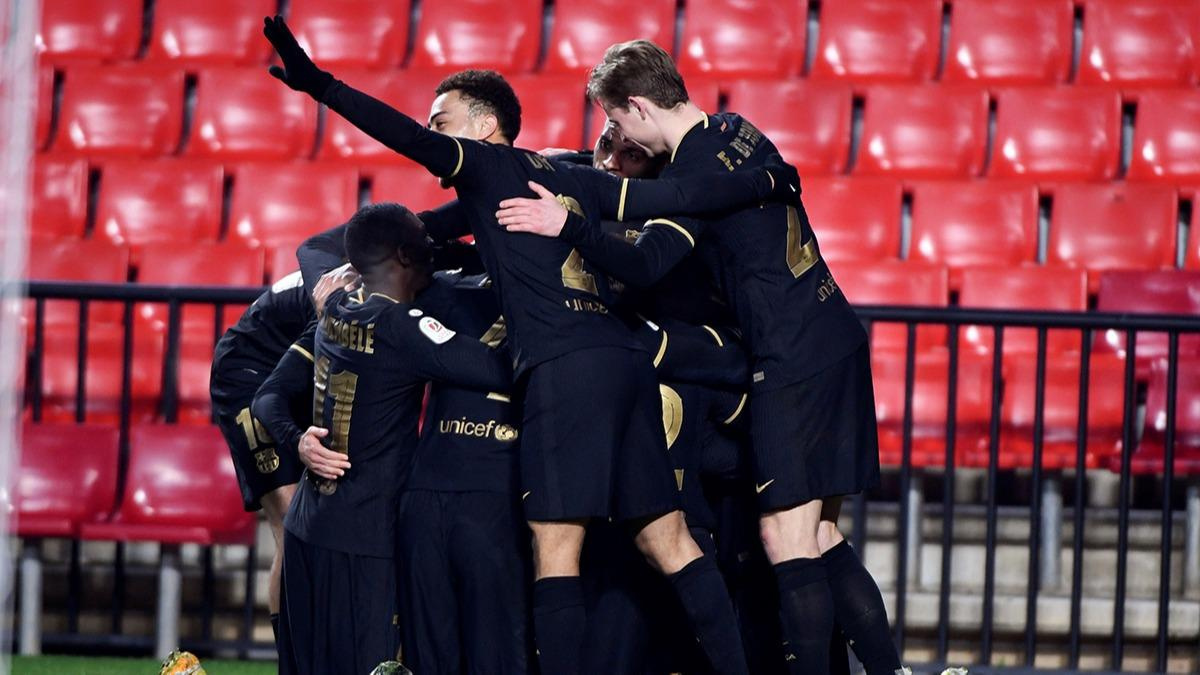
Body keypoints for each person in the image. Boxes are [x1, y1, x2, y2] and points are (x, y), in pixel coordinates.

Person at [262, 15, 801, 673]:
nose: (435, 134)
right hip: (624, 364)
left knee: (555, 552)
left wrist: (321, 86)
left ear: (485, 128)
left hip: (562, 369)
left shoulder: (486, 163)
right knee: (671, 541)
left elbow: (400, 134)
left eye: (445, 121)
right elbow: (681, 193)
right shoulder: (567, 176)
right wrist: (767, 181)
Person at [497, 40, 902, 675]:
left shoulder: (690, 165)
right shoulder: (736, 129)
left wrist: (568, 224)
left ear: (637, 106)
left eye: (616, 121)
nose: (617, 137)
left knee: (785, 538)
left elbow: (647, 257)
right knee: (822, 536)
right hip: (833, 335)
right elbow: (728, 191)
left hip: (791, 354)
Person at [253, 202, 512, 675]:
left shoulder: (333, 307)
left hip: (308, 528)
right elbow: (496, 370)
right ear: (404, 256)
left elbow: (267, 399)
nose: (434, 247)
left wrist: (297, 441)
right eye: (424, 240)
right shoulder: (404, 327)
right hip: (366, 535)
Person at [209, 268, 313, 655]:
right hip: (252, 375)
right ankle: (292, 658)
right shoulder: (349, 286)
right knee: (292, 522)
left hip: (304, 378)